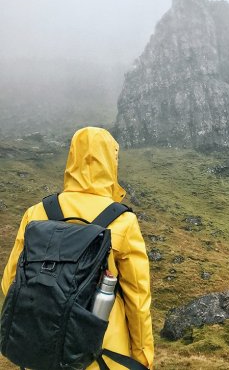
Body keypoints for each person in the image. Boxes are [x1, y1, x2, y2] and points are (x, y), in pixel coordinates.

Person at [1, 126, 154, 370]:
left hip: (43, 353)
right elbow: (138, 297)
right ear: (111, 162)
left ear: (72, 157)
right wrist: (143, 357)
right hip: (103, 355)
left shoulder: (36, 212)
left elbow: (10, 281)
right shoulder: (122, 221)